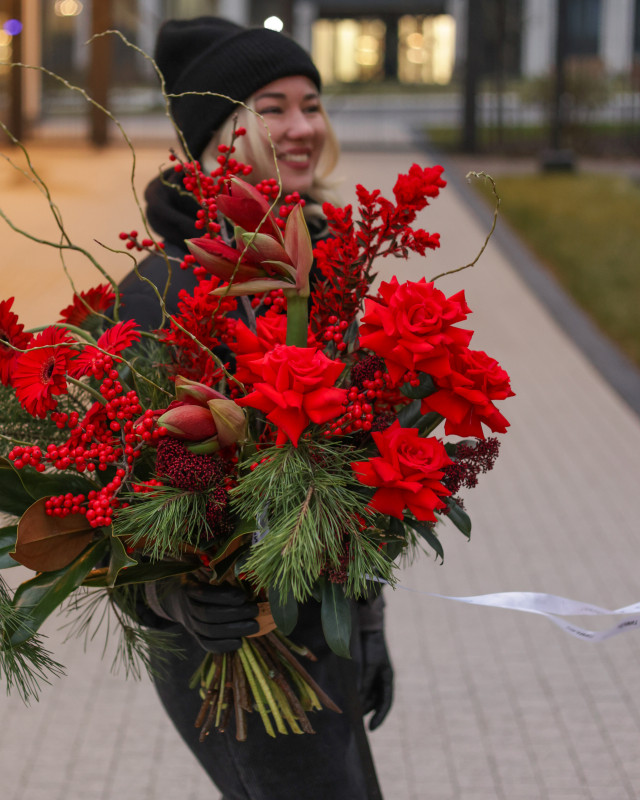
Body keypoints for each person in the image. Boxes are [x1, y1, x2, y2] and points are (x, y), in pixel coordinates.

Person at [118, 17, 394, 800]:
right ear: (215, 134)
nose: (303, 127)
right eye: (272, 107)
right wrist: (173, 594)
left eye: (312, 103)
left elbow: (360, 460)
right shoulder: (160, 290)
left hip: (320, 623)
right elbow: (110, 495)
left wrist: (364, 625)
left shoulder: (328, 264)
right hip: (226, 651)